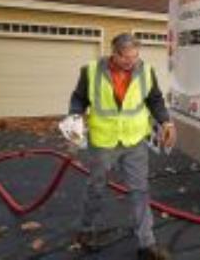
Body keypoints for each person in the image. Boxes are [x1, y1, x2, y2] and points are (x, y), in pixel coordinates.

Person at [67, 33, 176, 260]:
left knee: (140, 190)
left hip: (134, 141)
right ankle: (86, 231)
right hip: (104, 142)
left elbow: (154, 99)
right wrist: (74, 122)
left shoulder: (146, 71)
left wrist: (166, 121)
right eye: (126, 58)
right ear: (114, 54)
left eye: (135, 57)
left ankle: (147, 244)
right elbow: (78, 99)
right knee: (96, 187)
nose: (131, 62)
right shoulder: (91, 71)